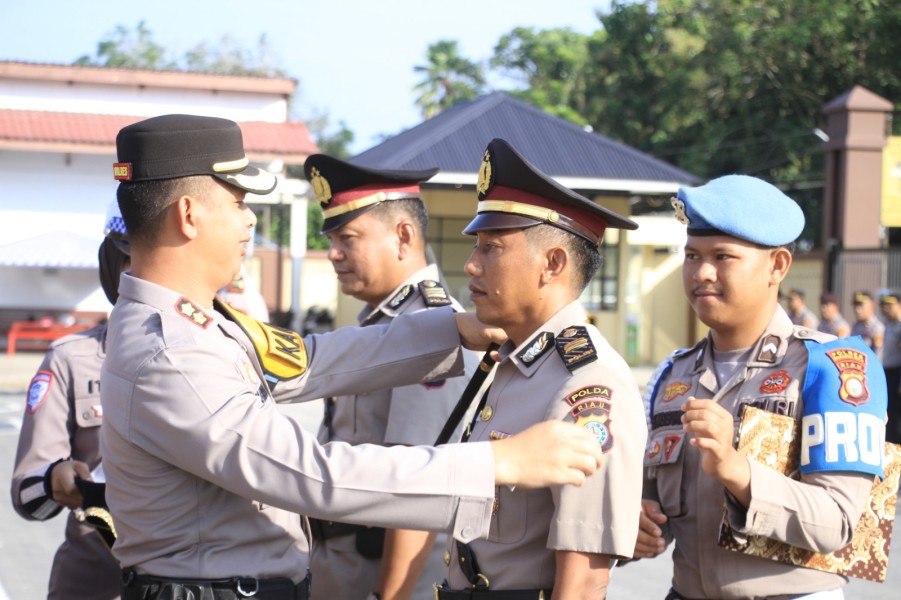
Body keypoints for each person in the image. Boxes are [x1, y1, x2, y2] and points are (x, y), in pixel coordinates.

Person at [101, 114, 605, 600]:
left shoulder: (195, 324)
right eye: (237, 201)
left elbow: (310, 359)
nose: (250, 218)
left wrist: (453, 330)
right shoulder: (172, 353)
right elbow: (310, 475)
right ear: (188, 215)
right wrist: (501, 462)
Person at [635, 174, 887, 599]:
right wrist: (637, 527)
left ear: (777, 266)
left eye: (723, 256)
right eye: (692, 256)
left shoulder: (834, 366)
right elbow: (649, 505)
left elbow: (840, 522)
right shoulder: (671, 377)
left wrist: (738, 471)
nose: (702, 273)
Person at [435, 138, 647, 599]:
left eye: (492, 248)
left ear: (552, 264)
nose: (471, 264)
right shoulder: (518, 362)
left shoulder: (587, 382)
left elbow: (585, 578)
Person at [302, 154, 480, 600]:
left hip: (385, 579)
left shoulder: (434, 332)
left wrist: (388, 597)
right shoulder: (387, 325)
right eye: (332, 238)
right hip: (340, 567)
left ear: (403, 236)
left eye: (349, 237)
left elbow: (420, 489)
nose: (333, 253)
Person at [10, 204, 130, 600]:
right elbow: (27, 494)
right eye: (131, 261)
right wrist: (56, 480)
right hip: (97, 582)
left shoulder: (225, 351)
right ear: (113, 268)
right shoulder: (72, 358)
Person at [880, 292, 901, 444]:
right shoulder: (888, 325)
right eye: (884, 306)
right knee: (889, 412)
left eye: (890, 305)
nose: (886, 309)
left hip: (897, 373)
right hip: (887, 372)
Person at [851, 290, 884, 358]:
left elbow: (878, 352)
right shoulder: (855, 326)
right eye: (855, 305)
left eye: (861, 305)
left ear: (872, 305)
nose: (857, 310)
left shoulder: (877, 327)